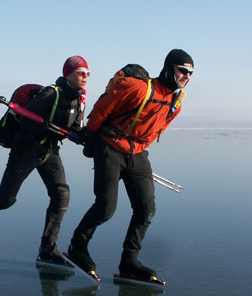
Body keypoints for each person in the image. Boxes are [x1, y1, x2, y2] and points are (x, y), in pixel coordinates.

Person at [66, 49, 193, 282]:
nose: (186, 76)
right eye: (182, 70)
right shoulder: (140, 88)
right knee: (106, 208)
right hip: (111, 147)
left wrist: (138, 150)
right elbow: (104, 109)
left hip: (137, 154)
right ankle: (77, 247)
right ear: (168, 68)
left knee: (146, 209)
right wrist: (92, 138)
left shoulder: (176, 102)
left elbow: (156, 128)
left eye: (190, 73)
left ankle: (129, 262)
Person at [0, 56, 89, 263]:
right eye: (81, 73)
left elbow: (74, 128)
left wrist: (86, 137)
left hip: (50, 150)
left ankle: (47, 249)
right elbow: (25, 121)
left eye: (88, 74)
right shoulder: (50, 94)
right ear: (67, 75)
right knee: (6, 199)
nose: (85, 77)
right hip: (26, 149)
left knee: (61, 194)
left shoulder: (78, 99)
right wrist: (45, 127)